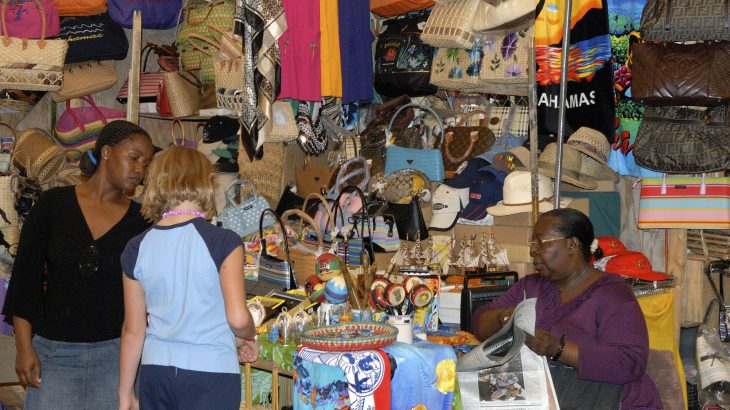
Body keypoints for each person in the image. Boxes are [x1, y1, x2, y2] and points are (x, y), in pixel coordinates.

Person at [1, 120, 155, 409]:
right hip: (54, 355)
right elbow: (25, 280)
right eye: (134, 157)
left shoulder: (142, 221)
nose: (140, 169)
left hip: (118, 358)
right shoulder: (52, 205)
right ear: (107, 152)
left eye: (145, 163)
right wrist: (24, 347)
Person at [472, 208, 661, 409]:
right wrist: (503, 318)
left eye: (540, 242)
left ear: (572, 244)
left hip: (612, 400)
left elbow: (629, 363)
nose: (533, 250)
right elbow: (479, 321)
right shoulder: (531, 286)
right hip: (551, 395)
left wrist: (557, 348)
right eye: (532, 243)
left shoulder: (612, 294)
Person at [118, 146, 259, 410]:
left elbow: (133, 330)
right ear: (206, 183)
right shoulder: (223, 242)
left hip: (155, 371)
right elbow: (238, 318)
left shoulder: (137, 247)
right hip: (211, 374)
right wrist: (248, 335)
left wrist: (126, 394)